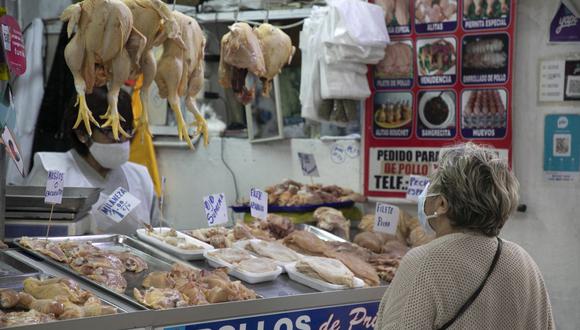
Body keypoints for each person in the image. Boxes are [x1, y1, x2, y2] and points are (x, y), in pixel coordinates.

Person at [375, 143, 554, 329]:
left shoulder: (424, 263)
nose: (425, 192)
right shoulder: (524, 262)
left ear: (442, 204)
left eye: (431, 183)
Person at [27, 86, 159, 235]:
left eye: (126, 130)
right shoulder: (54, 172)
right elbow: (35, 232)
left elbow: (158, 235)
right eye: (110, 131)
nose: (120, 141)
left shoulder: (140, 177)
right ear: (82, 133)